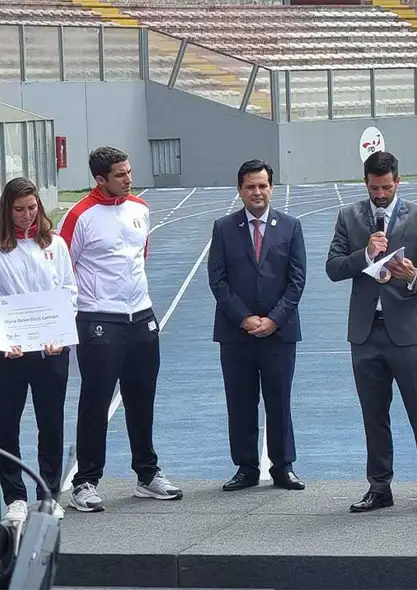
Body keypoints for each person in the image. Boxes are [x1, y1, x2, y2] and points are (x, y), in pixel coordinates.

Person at [58, 146, 182, 513]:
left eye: (129, 172)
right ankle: (85, 482)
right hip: (98, 319)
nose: (129, 179)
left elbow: (138, 258)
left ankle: (147, 474)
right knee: (96, 402)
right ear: (99, 179)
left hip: (141, 316)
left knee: (142, 398)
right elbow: (63, 268)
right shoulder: (80, 215)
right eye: (120, 175)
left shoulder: (140, 209)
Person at [326, 151, 417, 515]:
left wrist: (413, 276)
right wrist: (364, 254)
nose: (380, 193)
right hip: (366, 333)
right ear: (365, 183)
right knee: (374, 414)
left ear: (398, 182)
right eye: (374, 187)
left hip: (408, 333)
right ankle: (379, 487)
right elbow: (333, 268)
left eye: (386, 187)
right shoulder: (349, 216)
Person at [207, 159, 307, 492]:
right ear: (240, 190)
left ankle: (283, 467)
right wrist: (244, 318)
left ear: (271, 188)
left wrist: (274, 319)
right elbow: (218, 281)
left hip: (280, 333)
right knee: (240, 401)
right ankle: (246, 467)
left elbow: (297, 280)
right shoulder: (223, 228)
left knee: (279, 401)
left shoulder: (291, 227)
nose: (257, 192)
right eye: (250, 186)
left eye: (262, 185)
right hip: (236, 334)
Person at [0, 177, 77, 522]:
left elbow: (68, 290)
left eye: (32, 208)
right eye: (19, 210)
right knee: (6, 425)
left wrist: (59, 332)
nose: (27, 216)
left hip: (52, 350)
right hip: (10, 351)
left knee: (51, 422)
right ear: (6, 209)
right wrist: (4, 339)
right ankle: (15, 497)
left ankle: (48, 494)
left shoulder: (55, 245)